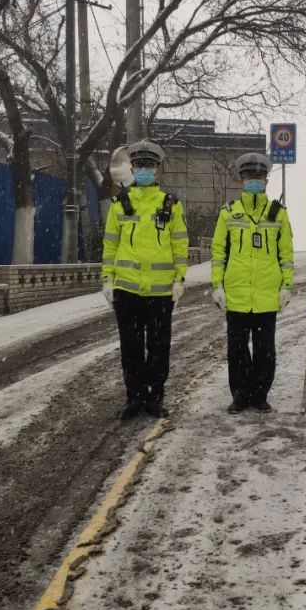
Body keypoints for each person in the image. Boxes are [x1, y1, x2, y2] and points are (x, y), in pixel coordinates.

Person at [101, 140, 188, 419]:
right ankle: (134, 398)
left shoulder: (170, 204)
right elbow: (110, 245)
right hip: (126, 289)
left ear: (157, 170)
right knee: (131, 347)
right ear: (132, 168)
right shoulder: (120, 204)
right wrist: (107, 279)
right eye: (139, 166)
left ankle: (155, 398)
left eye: (149, 166)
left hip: (161, 291)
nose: (144, 170)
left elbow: (180, 245)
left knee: (159, 348)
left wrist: (179, 279)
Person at [210, 152, 294, 414]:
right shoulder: (229, 213)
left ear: (266, 180)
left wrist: (286, 287)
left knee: (264, 349)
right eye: (248, 176)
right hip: (236, 294)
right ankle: (240, 395)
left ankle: (260, 395)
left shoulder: (277, 214)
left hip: (267, 295)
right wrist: (217, 286)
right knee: (237, 349)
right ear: (241, 180)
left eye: (258, 176)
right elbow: (218, 254)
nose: (253, 181)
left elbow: (286, 255)